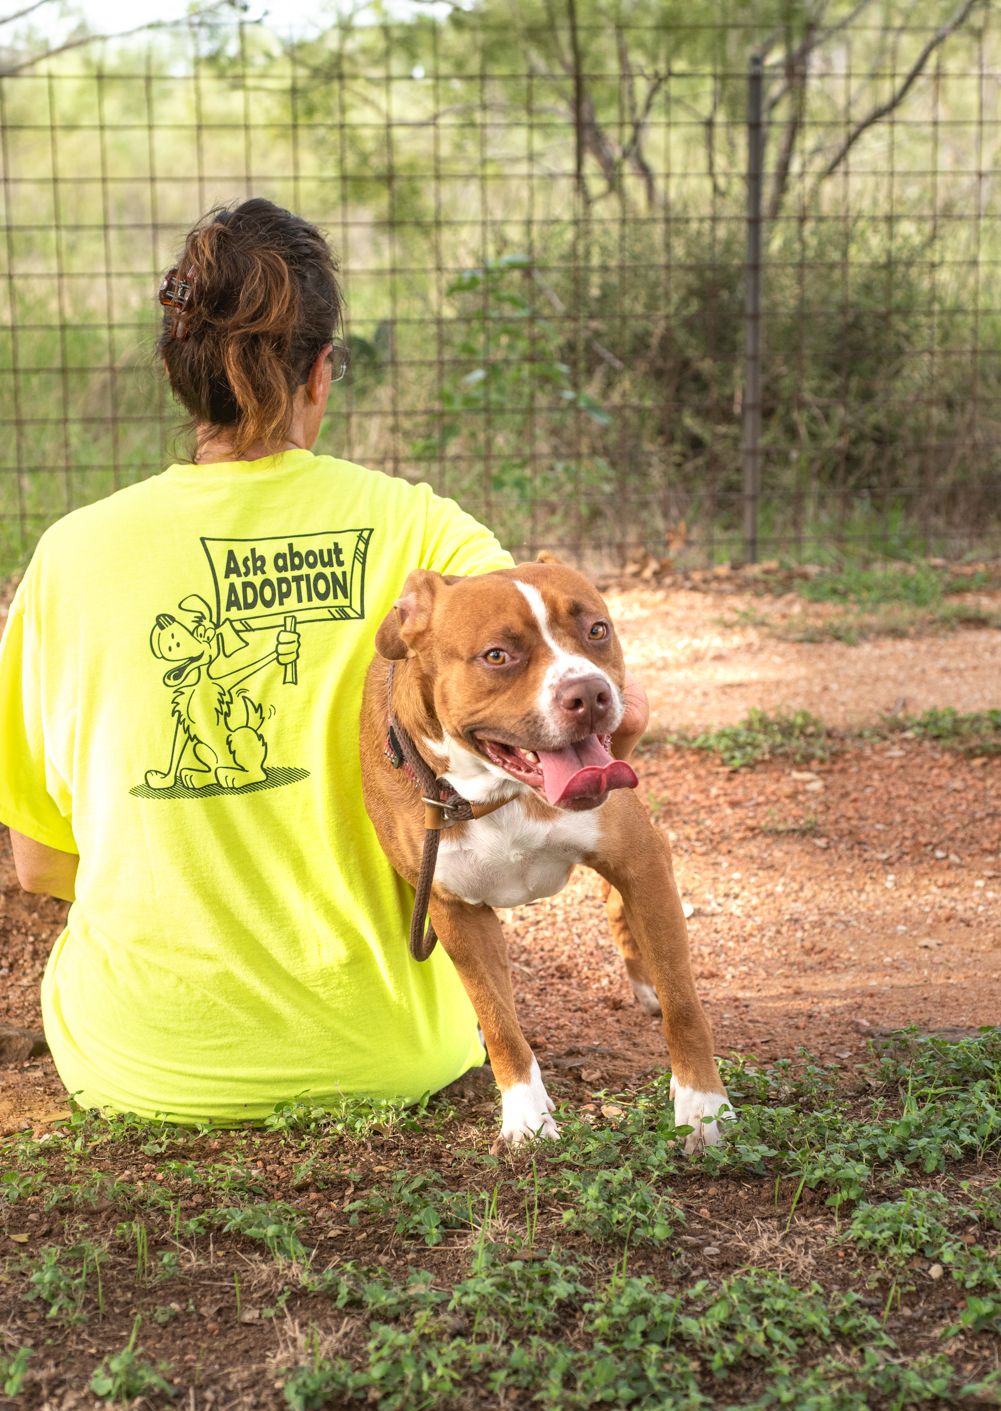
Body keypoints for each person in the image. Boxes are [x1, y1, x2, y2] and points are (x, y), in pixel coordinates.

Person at [0, 198, 646, 1125]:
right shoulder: (426, 533)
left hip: (140, 1062)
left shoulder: (69, 557)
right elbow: (573, 721)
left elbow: (39, 865)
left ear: (178, 374)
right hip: (395, 1051)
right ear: (321, 372)